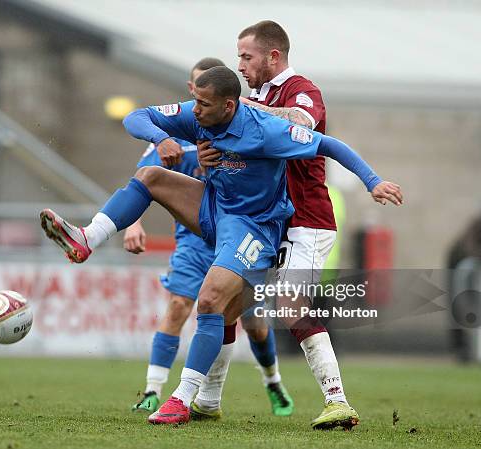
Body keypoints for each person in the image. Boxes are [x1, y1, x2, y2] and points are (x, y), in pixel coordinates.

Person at [39, 66, 403, 426]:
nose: (195, 110)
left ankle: (184, 397)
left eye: (204, 104)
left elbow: (328, 144)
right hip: (213, 207)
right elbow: (137, 117)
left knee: (213, 301)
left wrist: (373, 181)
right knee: (150, 176)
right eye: (194, 101)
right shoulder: (199, 113)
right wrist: (160, 138)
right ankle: (88, 239)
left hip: (254, 228)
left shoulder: (267, 131)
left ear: (229, 106)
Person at [197, 20, 362, 429]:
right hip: (267, 221)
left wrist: (250, 107)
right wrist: (204, 156)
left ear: (273, 56)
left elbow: (301, 124)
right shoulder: (252, 98)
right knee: (227, 303)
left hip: (306, 221)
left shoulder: (301, 90)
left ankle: (337, 400)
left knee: (290, 307)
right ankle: (207, 400)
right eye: (238, 56)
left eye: (246, 56)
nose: (239, 65)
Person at [128, 57, 293, 418]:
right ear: (189, 88)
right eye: (194, 87)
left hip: (240, 234)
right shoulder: (180, 129)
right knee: (179, 307)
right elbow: (144, 180)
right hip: (193, 238)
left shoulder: (239, 127)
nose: (197, 99)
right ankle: (155, 391)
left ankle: (272, 380)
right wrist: (133, 223)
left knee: (252, 323)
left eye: (205, 94)